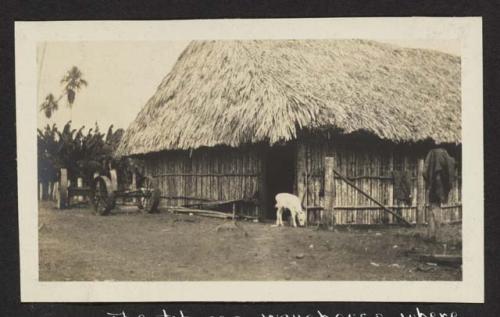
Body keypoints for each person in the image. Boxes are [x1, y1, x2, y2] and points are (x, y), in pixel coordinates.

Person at [423, 148, 455, 240]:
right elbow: (452, 165)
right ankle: (436, 235)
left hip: (433, 186)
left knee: (433, 208)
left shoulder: (431, 153)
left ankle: (432, 235)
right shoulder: (445, 154)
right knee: (436, 208)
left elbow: (424, 172)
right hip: (441, 187)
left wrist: (429, 180)